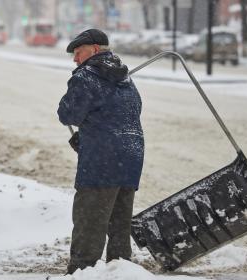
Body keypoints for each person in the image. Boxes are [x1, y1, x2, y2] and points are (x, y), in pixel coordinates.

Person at [57, 29, 144, 274]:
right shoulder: (124, 75)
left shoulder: (86, 76)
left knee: (90, 223)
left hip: (102, 162)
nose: (75, 59)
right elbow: (128, 113)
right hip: (130, 156)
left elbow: (68, 115)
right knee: (119, 225)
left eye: (78, 52)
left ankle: (81, 272)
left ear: (94, 50)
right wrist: (88, 136)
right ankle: (121, 271)